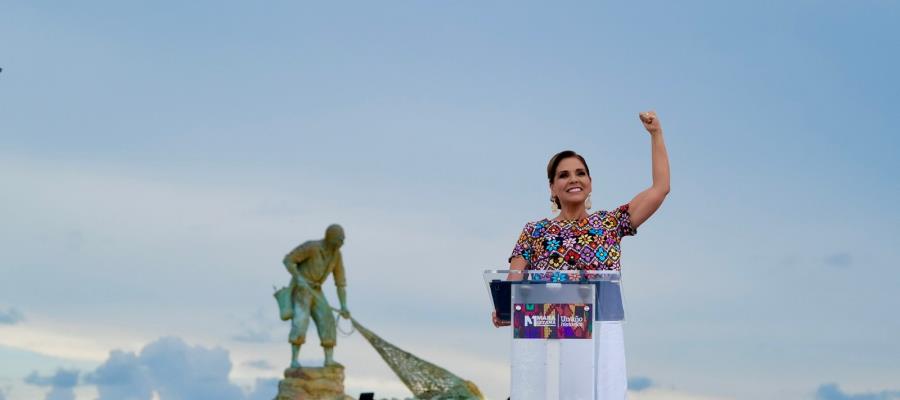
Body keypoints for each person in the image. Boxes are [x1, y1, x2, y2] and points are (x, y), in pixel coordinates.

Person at [493, 111, 670, 398]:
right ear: (552, 188)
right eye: (563, 175)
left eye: (580, 173)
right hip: (546, 346)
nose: (573, 179)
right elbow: (514, 279)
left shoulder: (611, 223)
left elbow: (661, 189)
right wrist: (504, 307)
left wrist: (656, 134)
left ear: (590, 181)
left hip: (599, 343)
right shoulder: (534, 231)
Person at [283, 224, 352, 368]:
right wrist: (299, 278)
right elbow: (288, 260)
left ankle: (329, 360)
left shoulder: (336, 255)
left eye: (342, 240)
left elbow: (340, 283)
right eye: (339, 240)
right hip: (302, 288)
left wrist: (343, 305)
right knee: (300, 321)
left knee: (327, 319)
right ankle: (294, 360)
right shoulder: (312, 247)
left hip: (316, 289)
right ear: (330, 238)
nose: (342, 243)